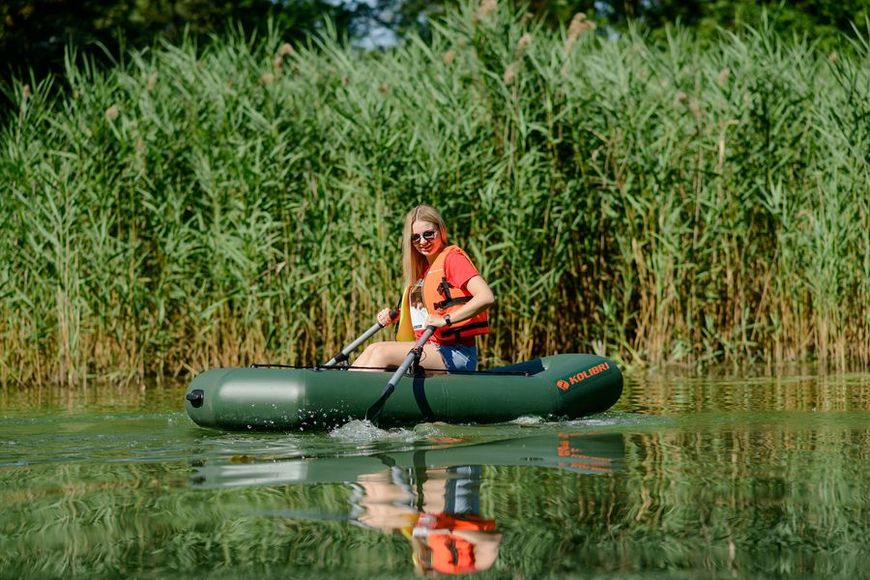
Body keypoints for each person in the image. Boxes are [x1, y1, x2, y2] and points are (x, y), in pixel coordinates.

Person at [353, 204, 494, 372]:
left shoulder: (452, 259)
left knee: (380, 352)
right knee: (372, 349)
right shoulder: (423, 271)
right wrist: (396, 316)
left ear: (441, 231)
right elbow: (425, 314)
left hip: (456, 353)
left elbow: (486, 296)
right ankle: (341, 390)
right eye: (416, 237)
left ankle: (349, 396)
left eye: (428, 234)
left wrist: (445, 319)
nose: (423, 241)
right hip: (426, 348)